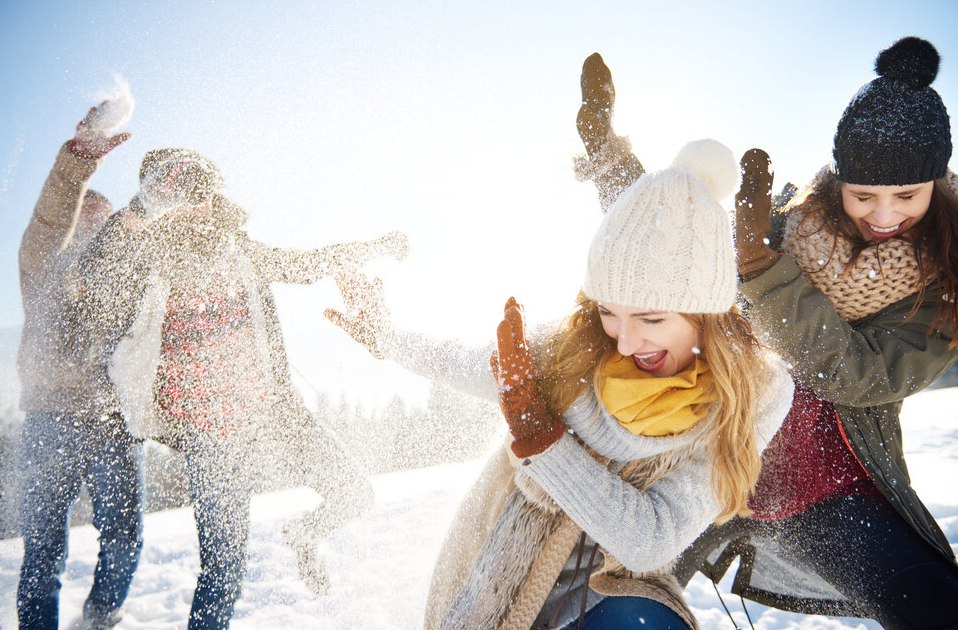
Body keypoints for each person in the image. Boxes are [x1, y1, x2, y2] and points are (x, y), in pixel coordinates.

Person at [575, 40, 958, 628]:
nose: (884, 216)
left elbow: (862, 377)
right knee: (611, 610)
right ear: (838, 184)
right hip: (705, 476)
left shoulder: (946, 285)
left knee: (939, 608)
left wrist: (763, 274)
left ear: (935, 186)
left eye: (906, 197)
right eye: (864, 196)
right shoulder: (782, 226)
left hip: (828, 495)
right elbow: (665, 246)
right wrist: (605, 150)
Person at [325, 138, 795, 629]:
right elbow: (461, 360)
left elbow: (649, 540)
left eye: (651, 319)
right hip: (506, 575)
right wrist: (383, 336)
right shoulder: (575, 348)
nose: (627, 342)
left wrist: (542, 440)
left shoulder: (753, 392)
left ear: (707, 313)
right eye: (609, 312)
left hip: (616, 590)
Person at [70, 149, 404, 629]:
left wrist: (373, 247)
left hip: (274, 416)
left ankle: (304, 534)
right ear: (160, 202)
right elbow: (96, 286)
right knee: (223, 573)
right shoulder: (142, 265)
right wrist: (141, 209)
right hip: (212, 441)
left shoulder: (237, 248)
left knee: (355, 493)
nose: (199, 205)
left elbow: (306, 263)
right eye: (183, 194)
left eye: (204, 193)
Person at [16, 104, 143, 630]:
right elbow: (50, 220)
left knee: (123, 536)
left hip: (112, 420)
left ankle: (100, 619)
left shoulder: (123, 275)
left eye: (103, 221)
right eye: (83, 218)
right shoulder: (46, 262)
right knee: (43, 547)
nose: (92, 227)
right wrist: (76, 165)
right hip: (51, 416)